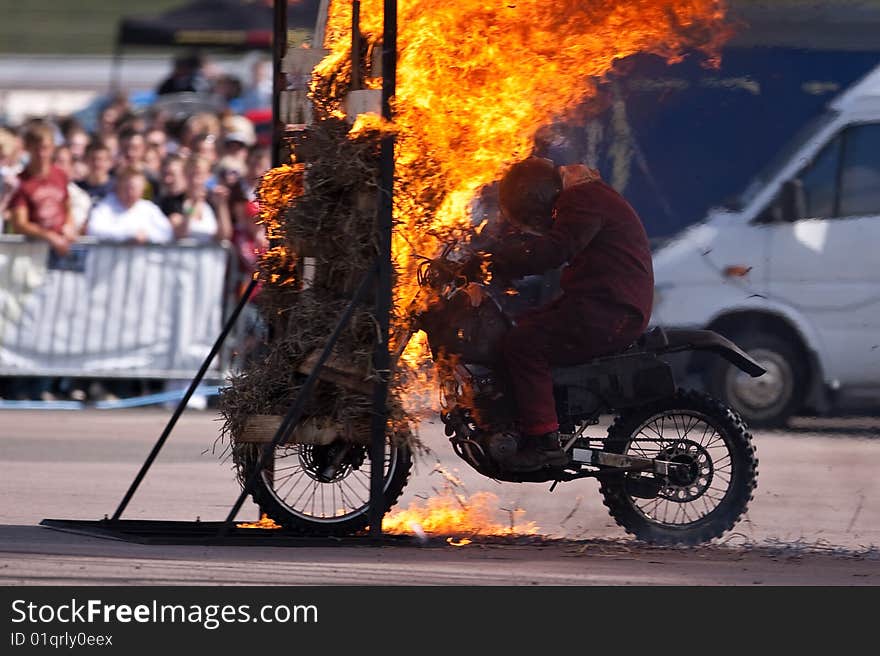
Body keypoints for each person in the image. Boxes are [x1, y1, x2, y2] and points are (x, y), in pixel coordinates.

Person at [468, 156, 655, 472]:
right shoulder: (585, 196)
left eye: (533, 218)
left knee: (523, 345)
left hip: (610, 311)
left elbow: (555, 250)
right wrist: (497, 262)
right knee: (519, 329)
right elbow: (551, 246)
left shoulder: (582, 199)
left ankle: (544, 442)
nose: (539, 224)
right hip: (600, 303)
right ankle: (525, 420)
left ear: (538, 198)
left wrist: (497, 261)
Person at [85, 167, 172, 244]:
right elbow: (93, 230)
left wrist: (147, 235)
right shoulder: (104, 207)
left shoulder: (149, 208)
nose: (131, 192)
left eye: (136, 188)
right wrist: (128, 235)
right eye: (128, 188)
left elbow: (167, 233)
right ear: (119, 186)